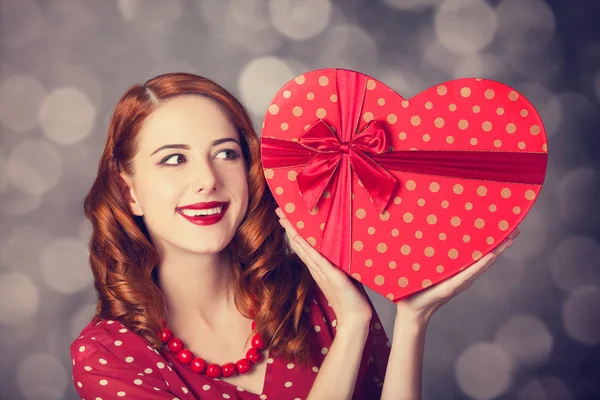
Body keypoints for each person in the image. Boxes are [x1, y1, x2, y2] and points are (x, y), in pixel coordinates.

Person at [70, 72, 518, 400]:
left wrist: (411, 322)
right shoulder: (105, 357)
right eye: (173, 160)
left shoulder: (321, 295)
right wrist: (351, 332)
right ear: (130, 193)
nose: (207, 179)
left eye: (226, 153)